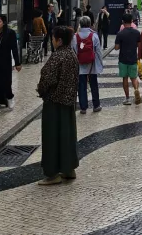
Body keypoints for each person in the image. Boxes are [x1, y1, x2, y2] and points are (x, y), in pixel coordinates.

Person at [36, 25, 79, 185]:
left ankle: (52, 173)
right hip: (68, 102)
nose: (52, 41)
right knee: (67, 136)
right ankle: (68, 168)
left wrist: (42, 91)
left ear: (59, 40)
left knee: (51, 137)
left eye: (53, 38)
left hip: (54, 103)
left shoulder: (57, 56)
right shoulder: (72, 55)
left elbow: (47, 79)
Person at [0, 15, 21, 115]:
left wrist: (17, 63)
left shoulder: (10, 33)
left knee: (6, 83)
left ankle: (10, 97)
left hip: (5, 62)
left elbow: (14, 49)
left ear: (4, 23)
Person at [72, 16, 103, 113]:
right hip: (92, 65)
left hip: (80, 65)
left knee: (81, 86)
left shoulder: (75, 36)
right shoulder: (94, 36)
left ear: (80, 24)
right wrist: (100, 64)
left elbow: (73, 51)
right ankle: (96, 105)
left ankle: (83, 107)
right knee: (94, 85)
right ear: (89, 24)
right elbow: (98, 52)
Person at [114, 12, 142, 105]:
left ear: (122, 22)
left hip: (123, 59)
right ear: (131, 21)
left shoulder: (120, 34)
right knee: (134, 78)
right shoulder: (137, 33)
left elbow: (117, 47)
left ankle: (127, 98)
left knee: (125, 78)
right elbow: (139, 45)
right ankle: (136, 90)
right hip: (133, 58)